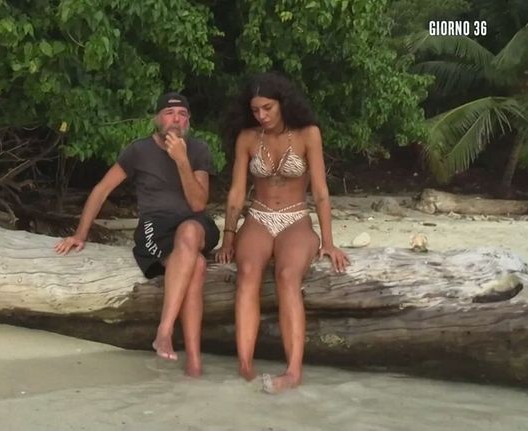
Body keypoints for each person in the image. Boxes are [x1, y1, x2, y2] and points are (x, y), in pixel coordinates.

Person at [54, 92, 220, 377]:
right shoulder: (138, 151)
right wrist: (80, 234)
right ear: (157, 118)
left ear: (189, 121)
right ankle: (193, 361)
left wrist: (182, 160)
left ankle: (165, 329)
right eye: (169, 113)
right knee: (198, 265)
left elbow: (198, 204)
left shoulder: (198, 149)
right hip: (156, 227)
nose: (175, 119)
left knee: (191, 231)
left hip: (192, 223)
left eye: (182, 114)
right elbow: (102, 190)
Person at [215, 72, 350, 394]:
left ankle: (293, 371)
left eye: (268, 108)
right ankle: (245, 363)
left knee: (288, 276)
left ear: (283, 104)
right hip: (259, 216)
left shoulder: (308, 134)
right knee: (248, 271)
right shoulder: (247, 138)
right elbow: (237, 192)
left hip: (295, 218)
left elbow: (320, 191)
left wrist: (329, 242)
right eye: (255, 110)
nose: (261, 116)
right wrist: (228, 237)